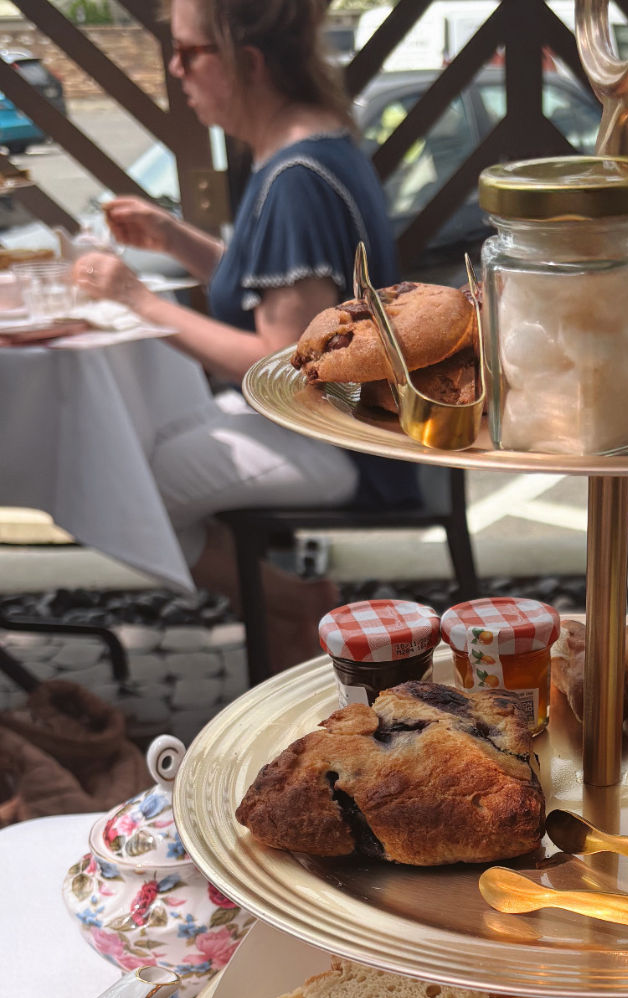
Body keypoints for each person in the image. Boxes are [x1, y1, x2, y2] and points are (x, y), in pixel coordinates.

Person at [72, 0, 415, 672]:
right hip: (352, 426)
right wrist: (174, 237)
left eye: (189, 52)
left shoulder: (293, 181)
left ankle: (291, 606)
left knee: (128, 481)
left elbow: (280, 363)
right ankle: (284, 615)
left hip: (350, 443)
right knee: (148, 452)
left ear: (247, 64)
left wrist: (135, 300)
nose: (176, 70)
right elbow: (263, 290)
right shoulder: (309, 148)